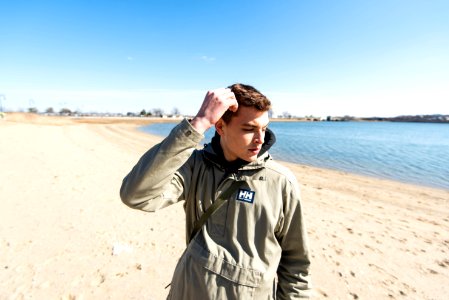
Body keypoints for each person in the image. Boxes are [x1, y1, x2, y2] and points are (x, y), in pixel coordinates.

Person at [120, 83, 312, 299]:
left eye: (264, 128)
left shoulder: (281, 182)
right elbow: (135, 195)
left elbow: (296, 267)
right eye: (249, 129)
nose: (261, 139)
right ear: (220, 127)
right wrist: (198, 123)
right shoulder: (195, 167)